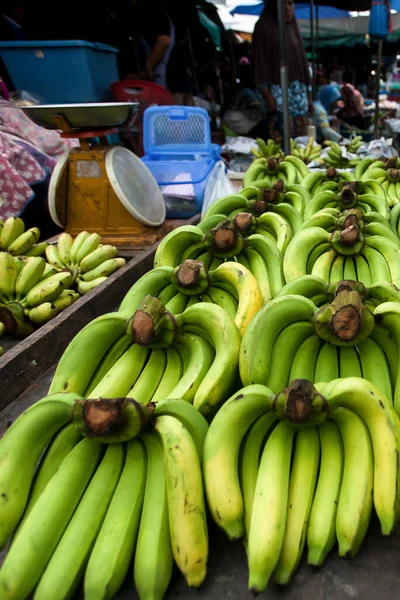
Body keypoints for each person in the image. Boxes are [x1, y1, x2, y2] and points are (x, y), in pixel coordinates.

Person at [252, 0, 312, 139]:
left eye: (291, 3)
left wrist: (309, 98)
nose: (287, 8)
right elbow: (259, 65)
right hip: (277, 96)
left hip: (298, 99)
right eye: (283, 4)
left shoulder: (293, 28)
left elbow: (303, 64)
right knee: (281, 138)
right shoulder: (264, 27)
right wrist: (267, 96)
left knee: (301, 142)